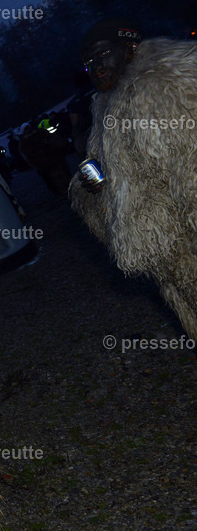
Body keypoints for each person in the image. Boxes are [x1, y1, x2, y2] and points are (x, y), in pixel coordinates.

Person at [70, 19, 197, 337]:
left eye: (102, 55)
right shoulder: (105, 106)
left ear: (129, 49)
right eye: (89, 63)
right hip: (170, 257)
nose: (96, 67)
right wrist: (93, 187)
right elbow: (105, 170)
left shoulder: (170, 83)